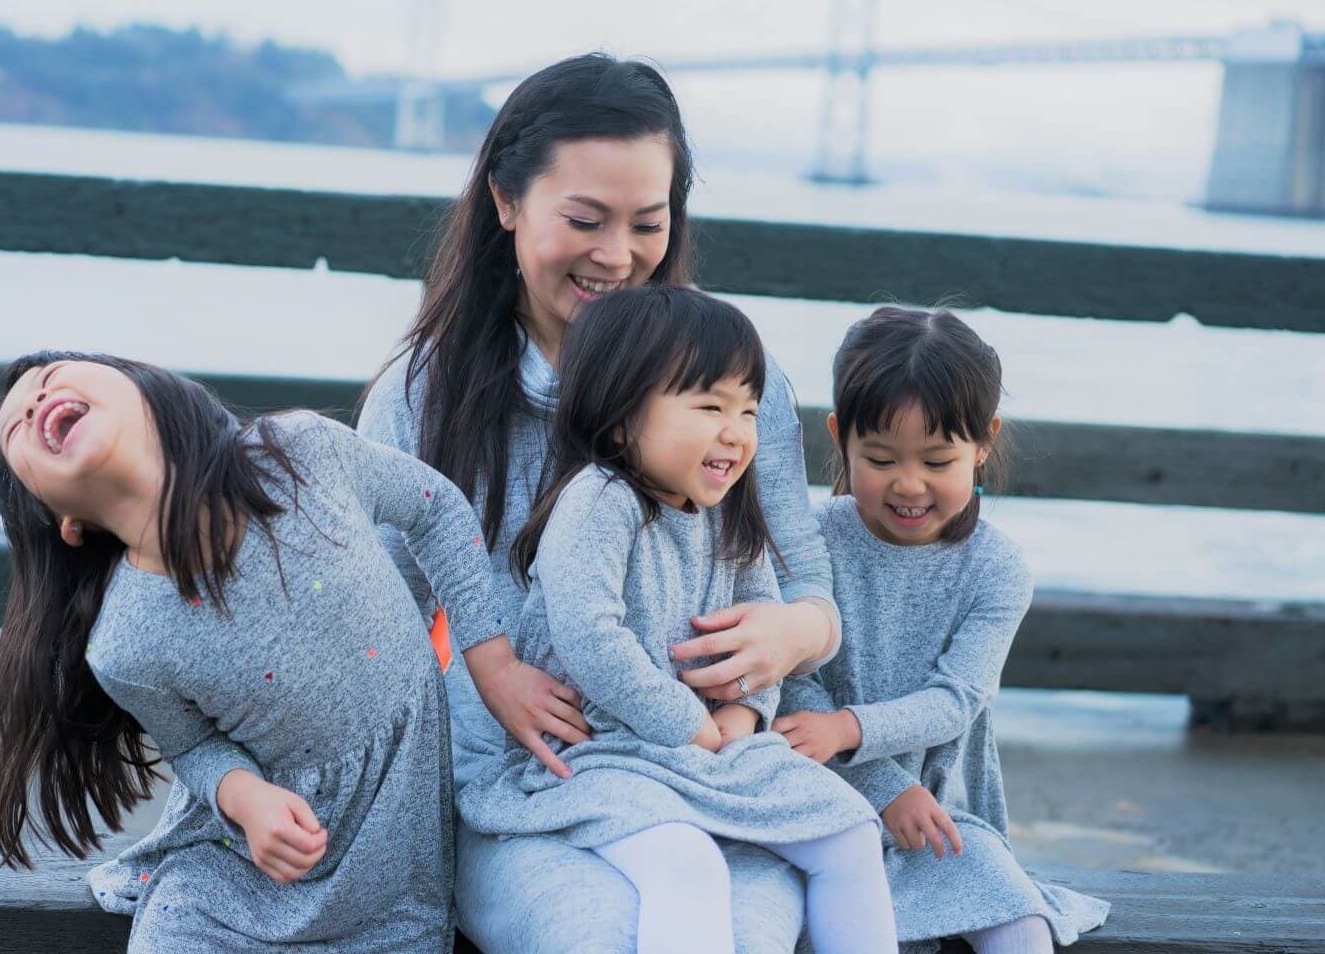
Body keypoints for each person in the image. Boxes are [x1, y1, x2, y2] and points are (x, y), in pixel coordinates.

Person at [358, 52, 841, 951]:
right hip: (523, 788)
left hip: (718, 776)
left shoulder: (733, 381)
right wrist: (488, 666)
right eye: (583, 219)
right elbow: (371, 625)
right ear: (505, 201)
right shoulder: (423, 394)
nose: (617, 257)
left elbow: (810, 585)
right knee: (601, 933)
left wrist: (794, 634)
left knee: (751, 931)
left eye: (646, 223)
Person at [0, 351, 511, 952]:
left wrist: (493, 663)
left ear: (147, 388)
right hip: (244, 864)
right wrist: (247, 799)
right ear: (64, 520)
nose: (37, 401)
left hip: (391, 848)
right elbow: (195, 746)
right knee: (171, 930)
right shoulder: (124, 644)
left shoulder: (300, 454)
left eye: (49, 381)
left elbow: (435, 510)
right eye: (18, 423)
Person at [459, 286, 897, 954]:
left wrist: (745, 714)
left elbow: (760, 626)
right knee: (684, 862)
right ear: (620, 419)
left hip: (709, 750)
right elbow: (590, 637)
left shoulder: (724, 513)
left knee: (848, 831)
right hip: (602, 757)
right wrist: (685, 721)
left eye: (747, 410)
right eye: (709, 407)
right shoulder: (597, 504)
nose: (736, 431)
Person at [773, 308, 1111, 954]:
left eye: (936, 460)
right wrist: (880, 784)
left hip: (942, 816)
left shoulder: (996, 567)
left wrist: (852, 732)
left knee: (1021, 925)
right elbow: (793, 688)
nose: (908, 484)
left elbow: (956, 700)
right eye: (879, 457)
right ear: (838, 437)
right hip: (821, 804)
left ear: (983, 442)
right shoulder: (807, 542)